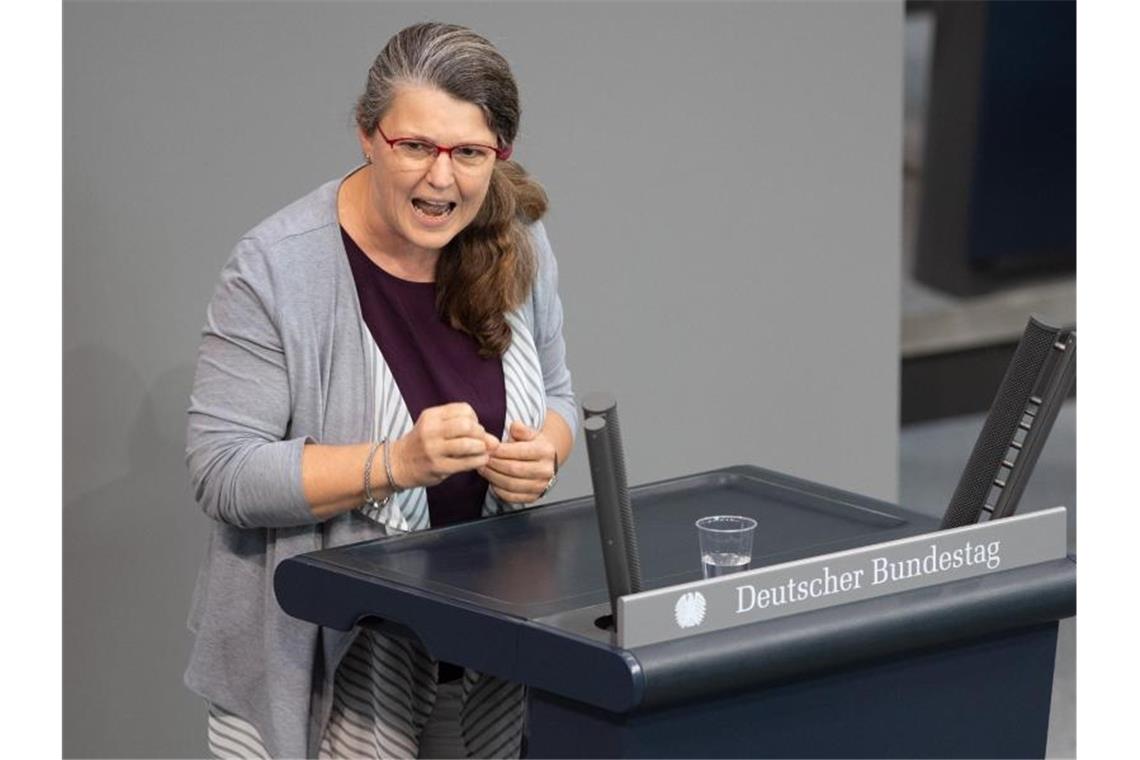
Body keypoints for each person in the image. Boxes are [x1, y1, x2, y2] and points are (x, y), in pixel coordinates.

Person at [184, 22, 577, 759]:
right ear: (368, 135)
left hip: (486, 655)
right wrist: (394, 462)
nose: (442, 178)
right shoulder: (276, 268)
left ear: (500, 155)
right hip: (319, 671)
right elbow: (223, 471)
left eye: (469, 152)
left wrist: (545, 454)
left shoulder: (518, 235)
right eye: (416, 146)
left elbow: (555, 393)